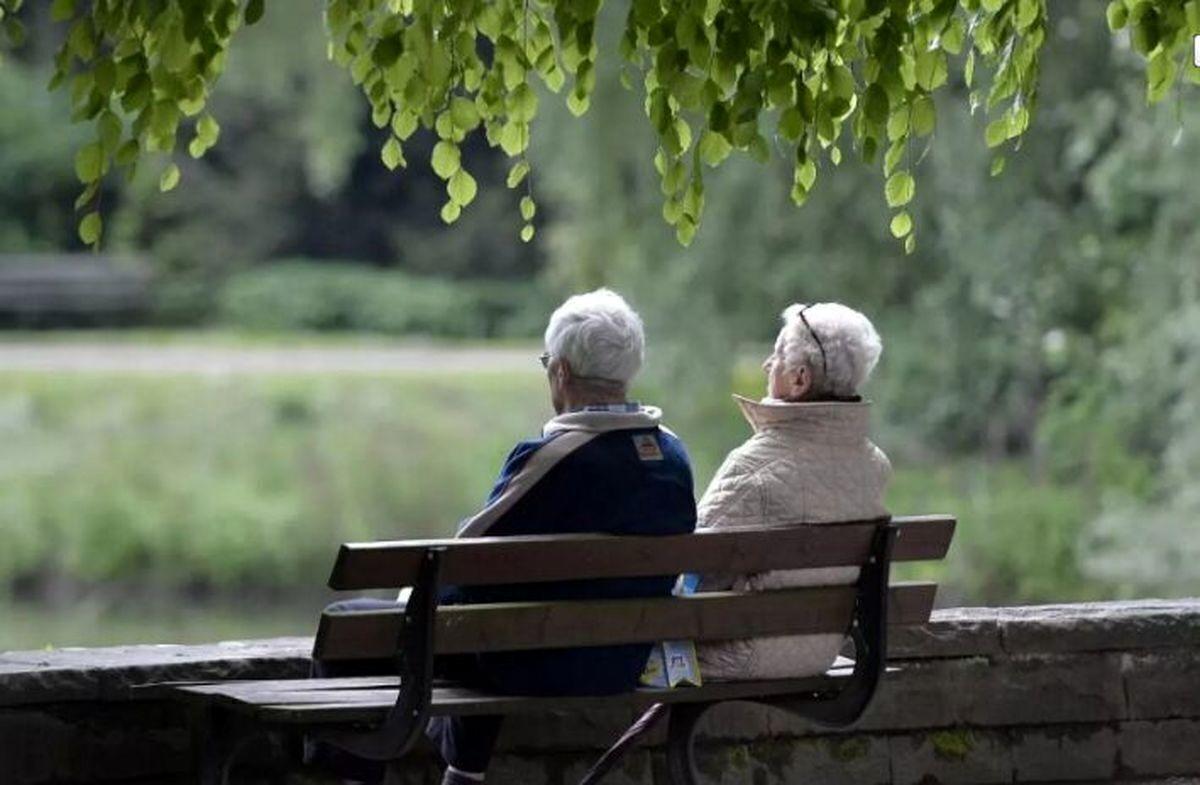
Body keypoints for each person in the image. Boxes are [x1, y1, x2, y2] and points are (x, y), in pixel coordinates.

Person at [312, 288, 697, 785]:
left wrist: (414, 600)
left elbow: (463, 559)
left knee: (364, 623)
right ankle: (463, 774)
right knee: (491, 619)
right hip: (620, 661)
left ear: (560, 371)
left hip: (534, 662)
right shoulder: (673, 457)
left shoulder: (555, 458)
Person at [694, 302, 891, 681]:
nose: (768, 365)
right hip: (818, 654)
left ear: (800, 380)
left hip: (737, 655)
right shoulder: (875, 466)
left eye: (777, 354)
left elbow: (693, 570)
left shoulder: (754, 467)